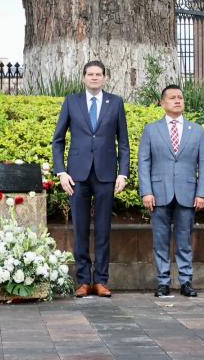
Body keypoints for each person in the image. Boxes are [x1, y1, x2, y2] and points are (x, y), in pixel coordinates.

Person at [52, 60, 130, 297]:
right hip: (77, 175)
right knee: (81, 228)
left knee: (104, 228)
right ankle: (84, 280)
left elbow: (123, 143)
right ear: (83, 77)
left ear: (104, 78)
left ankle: (101, 280)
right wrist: (61, 171)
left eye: (98, 74)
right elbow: (58, 140)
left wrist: (123, 172)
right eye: (90, 74)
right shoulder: (71, 101)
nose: (94, 77)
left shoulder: (115, 102)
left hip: (106, 174)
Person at [138, 84, 204, 298]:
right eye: (172, 98)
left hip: (188, 194)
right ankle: (163, 282)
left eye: (180, 97)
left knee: (185, 240)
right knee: (160, 241)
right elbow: (144, 162)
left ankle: (186, 282)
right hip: (158, 194)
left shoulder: (196, 130)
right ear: (162, 103)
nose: (177, 100)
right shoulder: (151, 129)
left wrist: (202, 193)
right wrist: (146, 192)